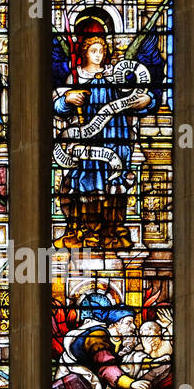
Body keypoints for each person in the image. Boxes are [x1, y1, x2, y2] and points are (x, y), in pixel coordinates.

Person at [53, 35, 155, 248]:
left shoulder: (115, 76)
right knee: (87, 183)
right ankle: (84, 231)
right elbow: (58, 109)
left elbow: (136, 98)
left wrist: (148, 100)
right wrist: (67, 99)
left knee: (114, 183)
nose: (98, 55)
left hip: (115, 138)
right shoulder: (76, 78)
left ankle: (112, 230)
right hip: (86, 140)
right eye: (93, 51)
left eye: (101, 50)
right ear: (84, 53)